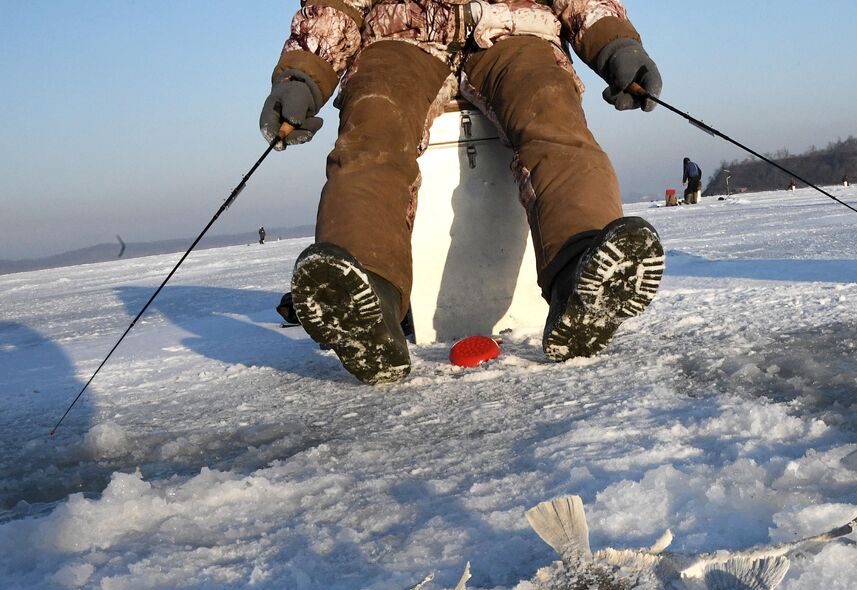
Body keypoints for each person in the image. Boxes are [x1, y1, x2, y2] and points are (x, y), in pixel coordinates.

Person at [260, 0, 665, 383]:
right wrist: (303, 76)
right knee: (373, 132)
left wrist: (617, 45)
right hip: (400, 35)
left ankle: (582, 272)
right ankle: (366, 292)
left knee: (553, 116)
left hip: (515, 29)